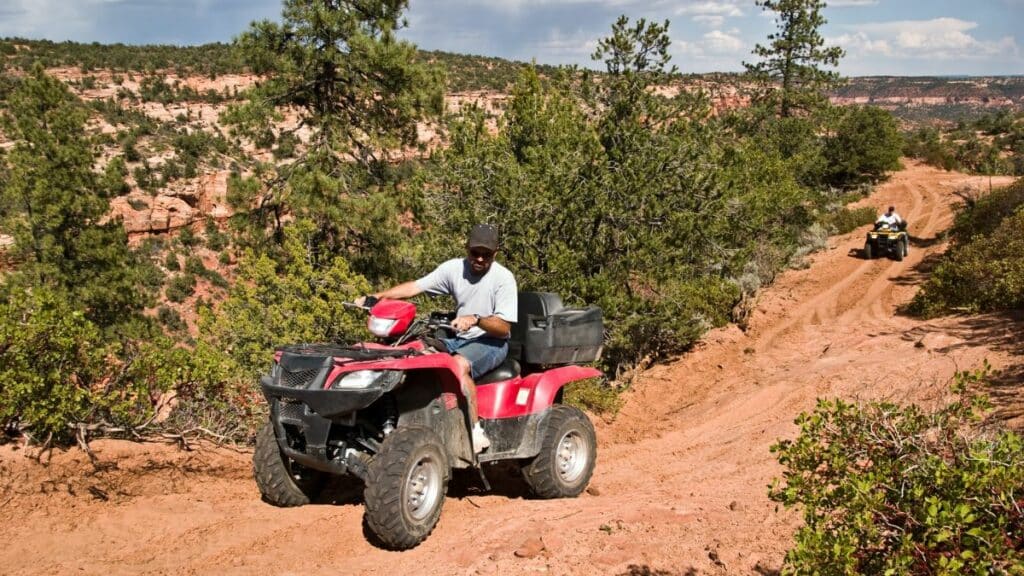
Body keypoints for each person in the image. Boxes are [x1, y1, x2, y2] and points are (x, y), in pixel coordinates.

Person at [355, 224, 517, 452]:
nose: (480, 259)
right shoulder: (453, 269)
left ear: (495, 253)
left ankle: (475, 431)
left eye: (486, 255)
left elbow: (503, 327)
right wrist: (377, 296)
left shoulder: (504, 279)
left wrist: (477, 319)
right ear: (466, 248)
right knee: (411, 353)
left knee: (458, 365)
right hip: (457, 338)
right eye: (475, 253)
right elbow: (415, 286)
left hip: (491, 342)